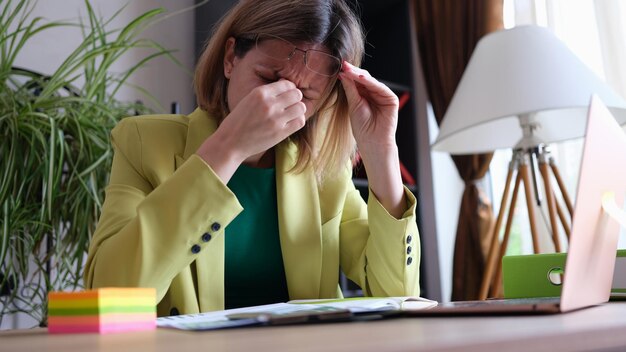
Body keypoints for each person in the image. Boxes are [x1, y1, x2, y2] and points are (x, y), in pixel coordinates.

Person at [84, 0, 420, 316]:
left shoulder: (325, 169)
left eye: (304, 95)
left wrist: (381, 155)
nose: (279, 101)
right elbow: (109, 297)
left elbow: (398, 295)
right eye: (269, 79)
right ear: (231, 58)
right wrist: (227, 149)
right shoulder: (144, 143)